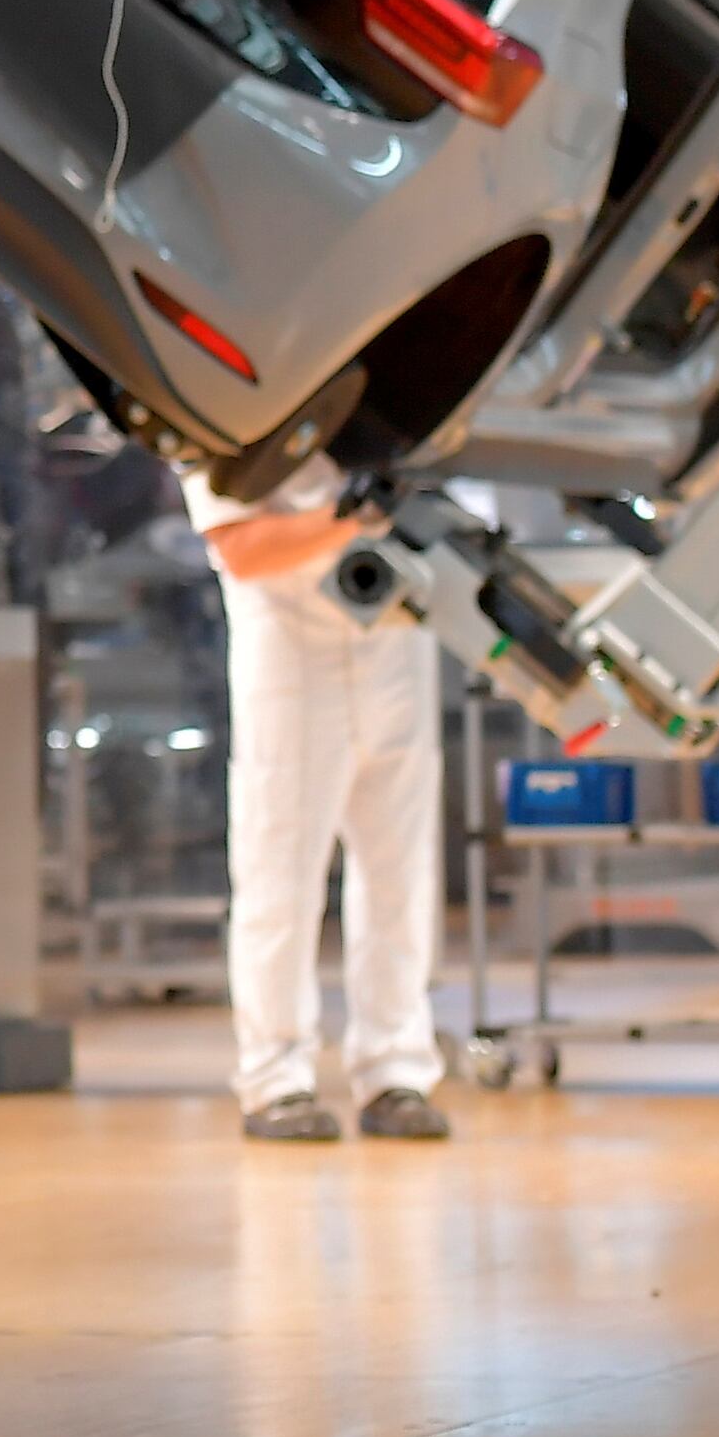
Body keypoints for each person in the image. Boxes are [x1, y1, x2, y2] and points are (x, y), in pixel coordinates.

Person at [189, 458, 447, 1144]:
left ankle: (396, 1071)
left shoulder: (389, 418)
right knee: (279, 875)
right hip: (291, 647)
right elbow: (243, 548)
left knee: (401, 874)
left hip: (394, 638)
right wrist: (349, 517)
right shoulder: (219, 417)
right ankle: (275, 1079)